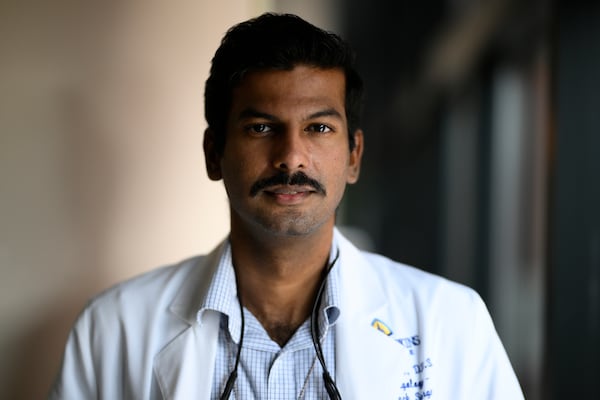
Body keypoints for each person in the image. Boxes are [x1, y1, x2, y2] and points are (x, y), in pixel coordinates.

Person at [49, 13, 524, 400]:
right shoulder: (112, 329)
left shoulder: (451, 322)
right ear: (215, 153)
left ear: (354, 155)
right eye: (260, 128)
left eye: (318, 128)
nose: (291, 156)